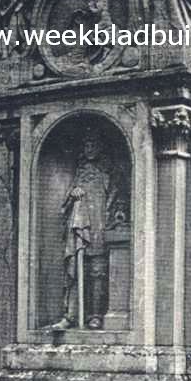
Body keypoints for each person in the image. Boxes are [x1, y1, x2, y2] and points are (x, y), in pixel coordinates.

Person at [50, 130, 117, 330]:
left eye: (93, 144)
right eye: (86, 145)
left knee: (98, 272)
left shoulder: (110, 171)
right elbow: (65, 204)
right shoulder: (80, 171)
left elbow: (119, 198)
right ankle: (71, 316)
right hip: (80, 230)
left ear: (101, 147)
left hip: (100, 229)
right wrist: (73, 194)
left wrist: (115, 215)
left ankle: (96, 315)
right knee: (75, 270)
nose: (89, 149)